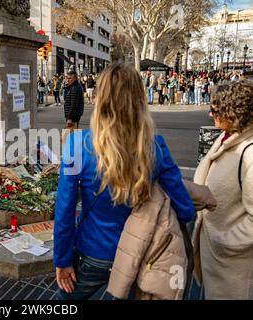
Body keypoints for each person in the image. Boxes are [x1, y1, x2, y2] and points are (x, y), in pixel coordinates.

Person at [54, 63, 194, 300]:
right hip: (137, 256)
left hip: (91, 251)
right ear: (139, 100)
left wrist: (62, 260)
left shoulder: (77, 145)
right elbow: (186, 210)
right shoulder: (155, 147)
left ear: (100, 99)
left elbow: (65, 210)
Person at [193, 80, 253, 299]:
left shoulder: (249, 153)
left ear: (233, 111)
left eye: (215, 109)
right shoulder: (228, 136)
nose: (210, 114)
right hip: (217, 261)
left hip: (234, 267)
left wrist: (224, 241)